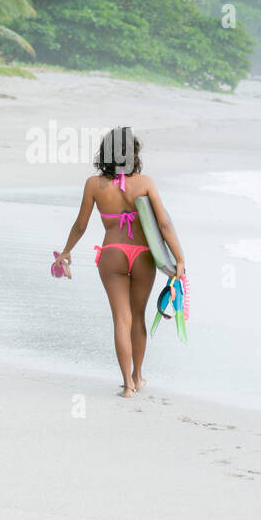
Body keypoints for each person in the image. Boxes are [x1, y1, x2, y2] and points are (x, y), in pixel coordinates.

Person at [56, 127, 185, 397]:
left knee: (121, 319)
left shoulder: (94, 184)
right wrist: (179, 259)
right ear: (132, 153)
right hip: (142, 255)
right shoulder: (145, 182)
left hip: (112, 252)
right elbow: (163, 224)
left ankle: (127, 385)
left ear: (105, 153)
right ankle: (138, 377)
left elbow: (81, 225)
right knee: (138, 316)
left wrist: (67, 251)